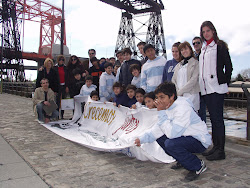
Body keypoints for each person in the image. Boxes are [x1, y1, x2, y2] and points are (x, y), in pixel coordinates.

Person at [134, 82, 212, 181]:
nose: (159, 101)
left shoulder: (182, 108)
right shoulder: (167, 106)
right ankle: (182, 159)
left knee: (170, 143)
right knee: (160, 138)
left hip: (199, 140)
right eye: (157, 98)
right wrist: (141, 139)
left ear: (172, 96)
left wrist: (161, 112)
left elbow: (172, 134)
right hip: (184, 136)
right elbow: (158, 129)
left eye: (162, 97)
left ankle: (197, 166)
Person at [199, 21, 233, 161]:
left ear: (213, 31)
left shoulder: (219, 46)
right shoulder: (203, 48)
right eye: (203, 31)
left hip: (216, 89)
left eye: (208, 30)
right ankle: (216, 146)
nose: (206, 33)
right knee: (213, 119)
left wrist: (221, 80)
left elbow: (228, 66)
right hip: (206, 89)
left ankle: (221, 150)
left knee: (218, 120)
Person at [171, 41, 200, 112]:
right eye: (182, 50)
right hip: (179, 96)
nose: (184, 51)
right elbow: (173, 79)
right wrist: (177, 91)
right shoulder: (178, 65)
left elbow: (193, 80)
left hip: (191, 95)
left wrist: (180, 91)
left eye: (186, 49)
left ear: (190, 50)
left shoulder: (196, 63)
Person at [192, 36, 206, 122]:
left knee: (203, 111)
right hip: (195, 87)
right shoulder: (192, 57)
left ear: (201, 43)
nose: (196, 45)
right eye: (194, 43)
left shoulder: (205, 53)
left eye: (198, 42)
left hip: (204, 86)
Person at [54, 55, 67, 119]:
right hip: (58, 86)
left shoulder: (65, 68)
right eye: (60, 60)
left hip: (64, 85)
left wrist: (67, 86)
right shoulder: (55, 68)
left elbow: (67, 77)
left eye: (63, 60)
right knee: (57, 101)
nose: (61, 61)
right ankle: (57, 115)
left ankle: (62, 115)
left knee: (63, 101)